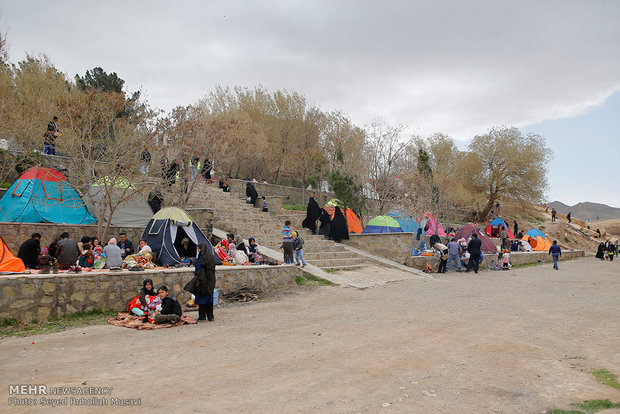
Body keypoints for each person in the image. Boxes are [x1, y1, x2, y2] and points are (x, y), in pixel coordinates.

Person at [185, 243, 216, 322]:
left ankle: (202, 317)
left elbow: (197, 269)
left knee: (202, 297)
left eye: (199, 249)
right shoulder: (211, 257)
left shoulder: (202, 258)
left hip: (203, 280)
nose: (198, 251)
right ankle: (210, 316)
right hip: (211, 279)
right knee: (209, 298)